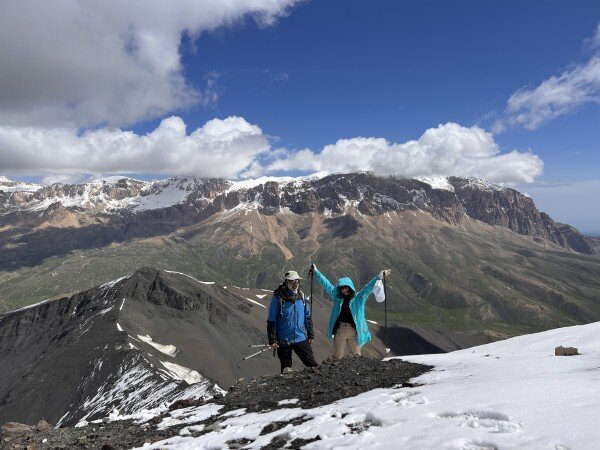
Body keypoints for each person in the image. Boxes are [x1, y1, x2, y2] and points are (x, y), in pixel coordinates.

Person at [310, 263, 390, 359]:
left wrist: (379, 277)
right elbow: (327, 285)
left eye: (346, 287)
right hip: (340, 329)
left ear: (350, 286)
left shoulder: (359, 298)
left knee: (357, 356)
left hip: (354, 331)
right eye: (342, 288)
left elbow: (367, 288)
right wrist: (316, 272)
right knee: (337, 356)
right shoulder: (337, 297)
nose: (344, 289)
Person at [267, 270, 318, 374]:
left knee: (313, 366)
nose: (295, 283)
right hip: (283, 339)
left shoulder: (301, 296)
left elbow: (307, 316)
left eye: (297, 280)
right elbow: (271, 319)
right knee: (286, 370)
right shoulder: (278, 298)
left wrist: (310, 334)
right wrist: (272, 340)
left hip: (300, 337)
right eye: (292, 281)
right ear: (286, 282)